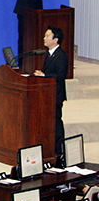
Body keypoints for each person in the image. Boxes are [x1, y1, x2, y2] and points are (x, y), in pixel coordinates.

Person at [34, 26, 68, 155]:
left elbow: (60, 75)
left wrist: (44, 76)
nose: (44, 38)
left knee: (56, 122)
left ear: (56, 40)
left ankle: (59, 150)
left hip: (56, 95)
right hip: (48, 94)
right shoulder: (48, 54)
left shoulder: (61, 56)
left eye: (47, 36)